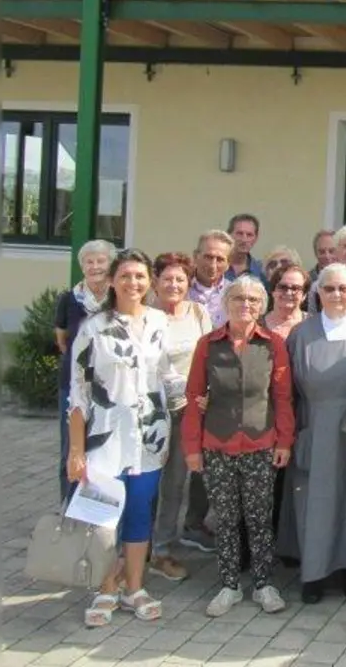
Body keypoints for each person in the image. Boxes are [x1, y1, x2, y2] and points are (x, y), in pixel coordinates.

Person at [67, 250, 170, 628]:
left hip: (149, 440)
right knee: (104, 519)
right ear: (112, 280)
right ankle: (106, 589)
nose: (133, 283)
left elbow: (167, 376)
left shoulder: (160, 321)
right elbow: (78, 392)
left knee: (140, 514)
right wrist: (76, 450)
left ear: (150, 281)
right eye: (125, 276)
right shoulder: (93, 327)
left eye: (140, 276)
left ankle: (135, 587)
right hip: (104, 438)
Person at [183, 275, 295, 618]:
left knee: (260, 518)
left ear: (261, 306)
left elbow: (282, 397)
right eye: (238, 298)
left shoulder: (273, 344)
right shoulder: (208, 344)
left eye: (253, 300)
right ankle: (229, 584)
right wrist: (192, 447)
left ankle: (263, 584)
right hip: (217, 444)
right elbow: (194, 396)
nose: (245, 305)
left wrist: (284, 440)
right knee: (227, 519)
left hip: (260, 444)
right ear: (226, 303)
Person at [280, 263, 346, 604]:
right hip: (314, 427)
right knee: (314, 502)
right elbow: (287, 392)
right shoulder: (300, 334)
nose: (336, 294)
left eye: (344, 288)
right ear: (318, 292)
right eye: (329, 288)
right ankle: (315, 574)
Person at [148, 252, 212, 583]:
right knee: (144, 481)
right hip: (148, 410)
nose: (174, 285)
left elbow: (210, 356)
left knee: (174, 482)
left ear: (189, 283)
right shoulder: (144, 315)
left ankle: (161, 549)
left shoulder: (198, 313)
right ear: (155, 281)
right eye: (167, 278)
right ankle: (132, 546)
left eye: (180, 279)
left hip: (186, 410)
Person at [54, 239, 114, 500]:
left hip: (109, 384)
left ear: (111, 265)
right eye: (89, 262)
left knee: (103, 445)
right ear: (82, 267)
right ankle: (69, 505)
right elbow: (63, 341)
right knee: (71, 447)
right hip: (74, 382)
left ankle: (98, 504)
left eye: (101, 261)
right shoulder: (68, 300)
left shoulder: (118, 298)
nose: (95, 266)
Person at [224, 213, 265, 282]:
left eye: (249, 235)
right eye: (239, 234)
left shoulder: (261, 271)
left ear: (256, 238)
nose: (244, 240)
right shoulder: (217, 267)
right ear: (229, 235)